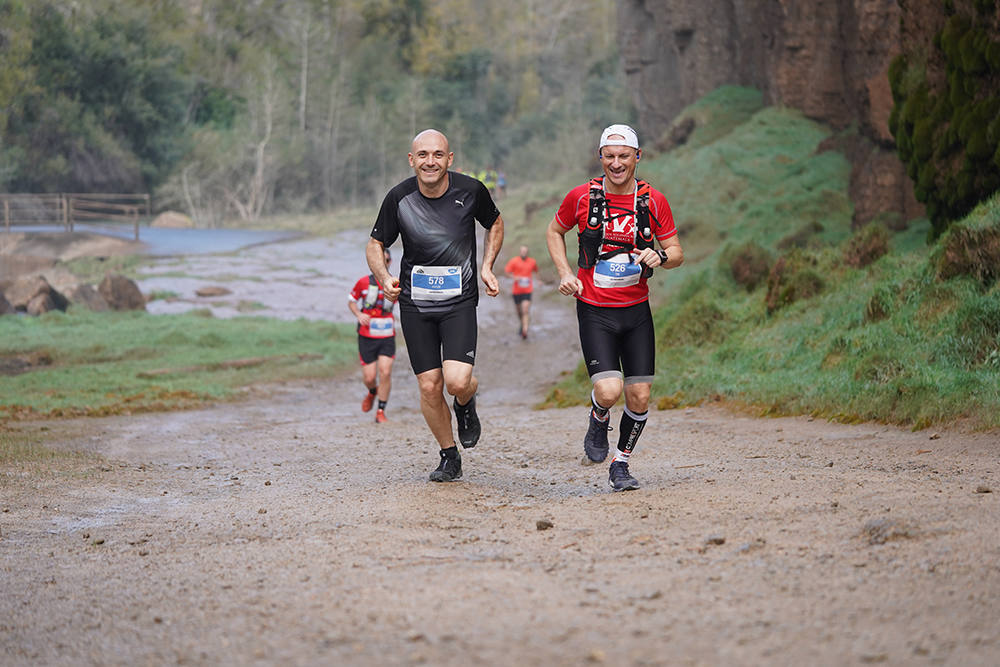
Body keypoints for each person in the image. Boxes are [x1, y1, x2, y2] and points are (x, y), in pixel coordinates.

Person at [545, 123, 683, 491]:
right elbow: (554, 231)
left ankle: (620, 464)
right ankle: (598, 414)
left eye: (624, 156)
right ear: (600, 157)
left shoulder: (653, 201)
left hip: (636, 310)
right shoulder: (581, 197)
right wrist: (564, 272)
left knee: (639, 395)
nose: (617, 163)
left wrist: (661, 255)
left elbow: (677, 252)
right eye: (610, 156)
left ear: (638, 157)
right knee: (609, 390)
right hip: (595, 308)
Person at [367, 129, 504, 483]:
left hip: (459, 301)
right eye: (423, 155)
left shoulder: (470, 191)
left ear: (450, 158)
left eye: (438, 154)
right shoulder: (398, 198)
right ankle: (449, 455)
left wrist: (487, 266)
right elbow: (375, 243)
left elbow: (495, 223)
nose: (431, 161)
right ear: (412, 160)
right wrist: (384, 277)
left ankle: (465, 403)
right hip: (415, 304)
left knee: (457, 382)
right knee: (429, 386)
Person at [348, 247, 397, 423]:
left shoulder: (395, 283)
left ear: (390, 262)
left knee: (385, 372)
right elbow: (352, 300)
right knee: (369, 377)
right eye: (380, 261)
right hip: (367, 335)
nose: (384, 264)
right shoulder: (363, 283)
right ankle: (372, 391)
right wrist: (359, 315)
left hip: (387, 335)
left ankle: (381, 412)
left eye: (387, 261)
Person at [504, 245, 539, 339]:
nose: (524, 253)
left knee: (525, 310)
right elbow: (507, 272)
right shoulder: (514, 261)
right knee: (519, 311)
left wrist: (539, 281)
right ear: (520, 252)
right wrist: (514, 277)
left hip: (528, 290)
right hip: (516, 291)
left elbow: (536, 271)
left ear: (527, 252)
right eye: (522, 251)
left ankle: (525, 331)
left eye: (525, 251)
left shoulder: (532, 262)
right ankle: (522, 323)